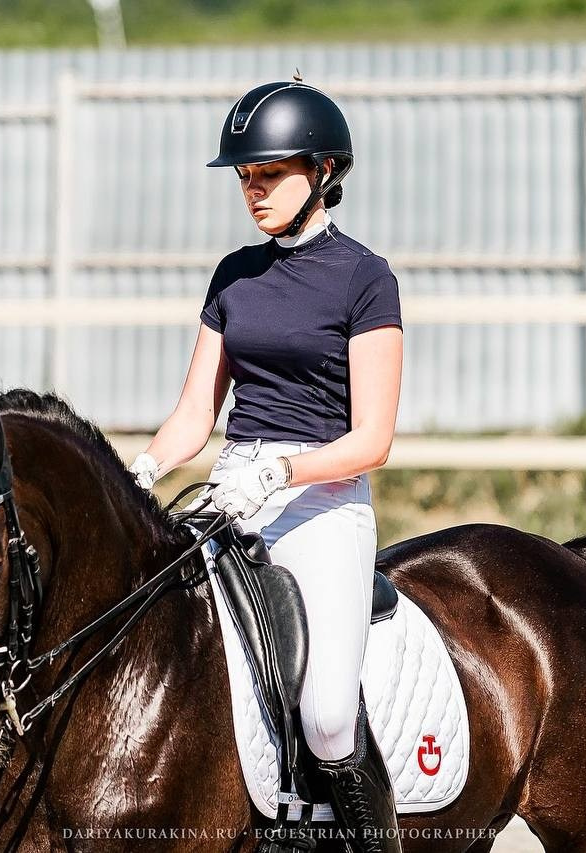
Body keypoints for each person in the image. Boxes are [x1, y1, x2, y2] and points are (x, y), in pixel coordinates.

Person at [129, 80, 404, 852]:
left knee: (326, 713)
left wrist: (283, 472)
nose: (253, 192)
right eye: (246, 178)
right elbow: (195, 413)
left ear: (321, 170)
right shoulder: (233, 274)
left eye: (269, 174)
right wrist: (144, 468)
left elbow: (374, 437)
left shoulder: (364, 278)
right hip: (231, 490)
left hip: (323, 501)